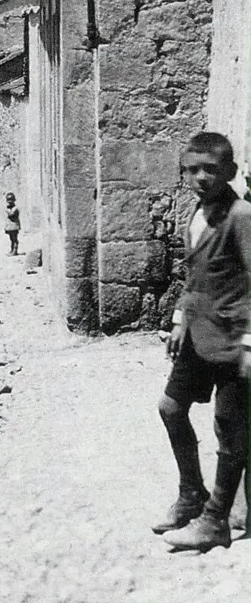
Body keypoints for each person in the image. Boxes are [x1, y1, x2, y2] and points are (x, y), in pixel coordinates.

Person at [154, 132, 251, 552]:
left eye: (210, 170)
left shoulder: (242, 215)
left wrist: (250, 342)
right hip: (197, 334)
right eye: (191, 170)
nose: (200, 178)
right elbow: (193, 276)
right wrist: (179, 318)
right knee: (170, 407)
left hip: (233, 341)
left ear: (229, 171)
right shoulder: (194, 213)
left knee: (230, 430)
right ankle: (192, 493)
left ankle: (216, 521)